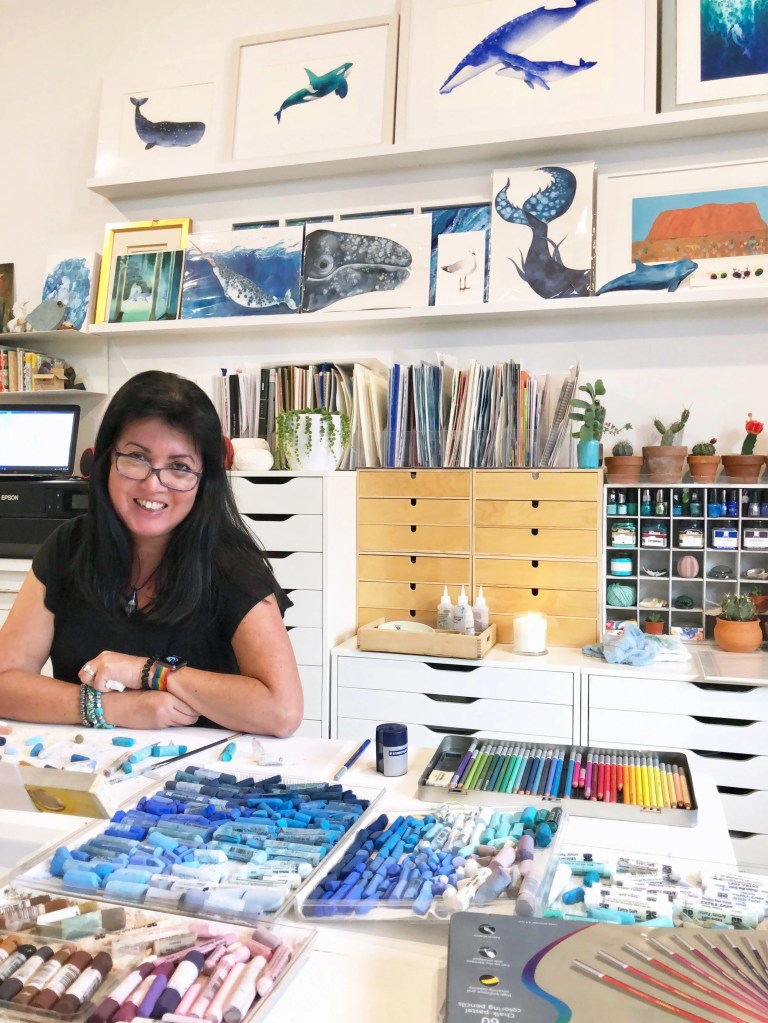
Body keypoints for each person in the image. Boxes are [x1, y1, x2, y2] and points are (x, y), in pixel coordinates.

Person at [0, 370, 303, 735]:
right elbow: (5, 682)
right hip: (85, 768)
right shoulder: (69, 547)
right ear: (106, 460)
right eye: (136, 457)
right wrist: (112, 707)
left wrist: (153, 673)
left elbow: (282, 711)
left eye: (179, 467)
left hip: (199, 779)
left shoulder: (232, 564)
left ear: (203, 481)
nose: (152, 484)